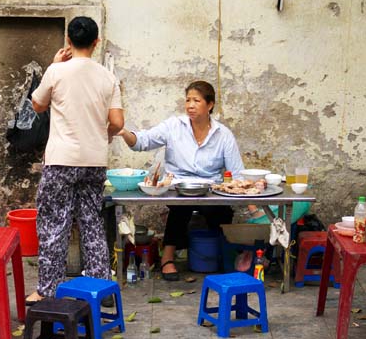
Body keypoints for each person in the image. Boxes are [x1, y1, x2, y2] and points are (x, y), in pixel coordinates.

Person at [24, 16, 124, 304]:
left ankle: (47, 290)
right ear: (97, 42)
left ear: (68, 41)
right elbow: (117, 121)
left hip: (61, 161)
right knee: (92, 222)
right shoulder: (108, 77)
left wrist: (54, 65)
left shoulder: (57, 71)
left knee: (55, 225)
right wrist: (102, 134)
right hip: (94, 161)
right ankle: (100, 288)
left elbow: (38, 104)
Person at [115, 81, 244, 281]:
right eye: (188, 100)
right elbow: (143, 141)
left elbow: (237, 172)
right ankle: (167, 258)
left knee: (220, 209)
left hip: (210, 187)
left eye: (196, 100)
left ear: (209, 105)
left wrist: (252, 204)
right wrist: (125, 134)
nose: (190, 105)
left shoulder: (223, 135)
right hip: (178, 186)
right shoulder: (174, 126)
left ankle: (221, 256)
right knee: (180, 206)